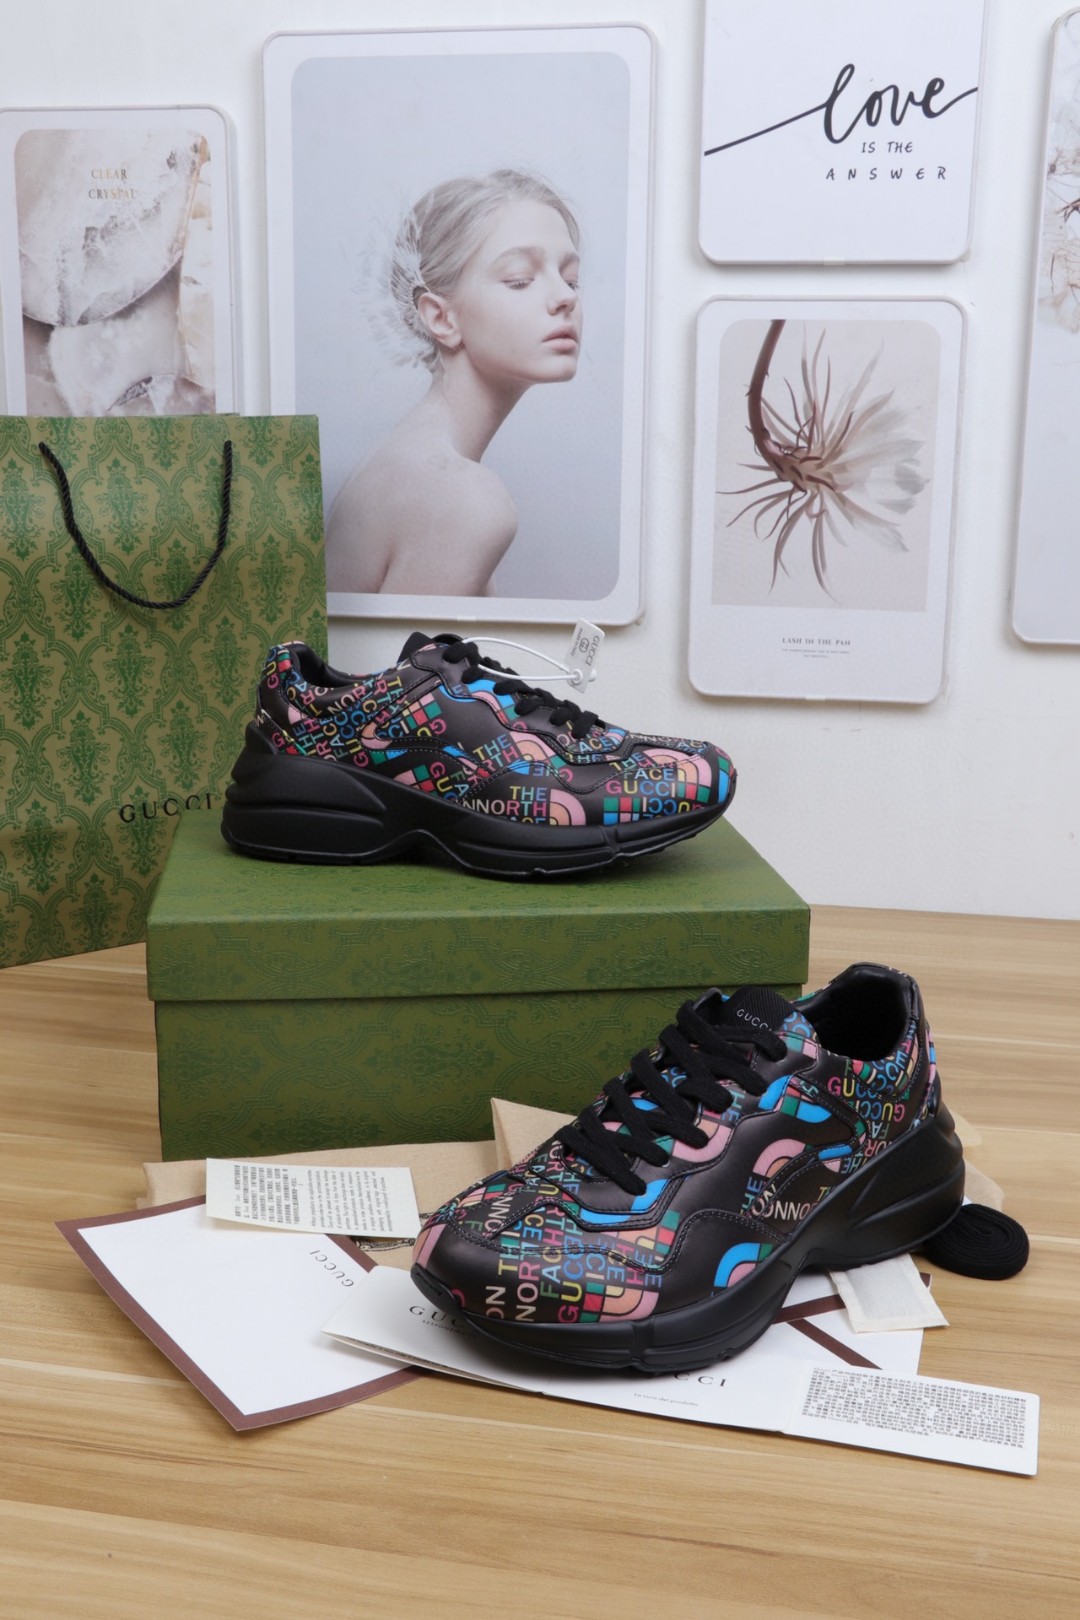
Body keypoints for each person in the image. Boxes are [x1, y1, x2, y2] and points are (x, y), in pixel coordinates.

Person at [327, 169, 582, 596]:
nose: (566, 297)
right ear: (441, 318)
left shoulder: (408, 462)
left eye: (572, 279)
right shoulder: (462, 498)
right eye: (520, 280)